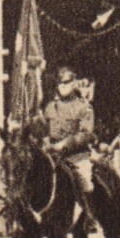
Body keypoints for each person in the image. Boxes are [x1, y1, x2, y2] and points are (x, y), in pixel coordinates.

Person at [43, 65, 98, 216]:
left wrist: (65, 144)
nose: (62, 86)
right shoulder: (49, 107)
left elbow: (86, 133)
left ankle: (88, 216)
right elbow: (44, 130)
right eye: (60, 83)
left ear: (74, 82)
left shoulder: (83, 107)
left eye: (66, 82)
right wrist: (46, 142)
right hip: (53, 156)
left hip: (77, 156)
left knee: (86, 183)